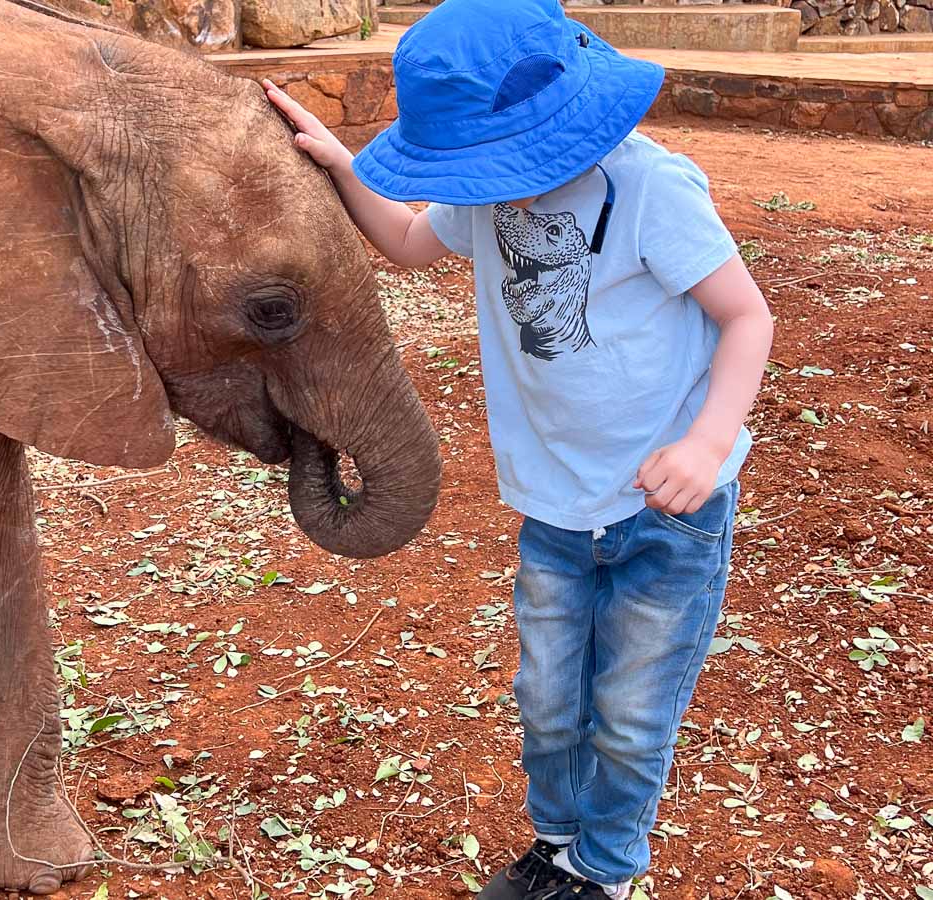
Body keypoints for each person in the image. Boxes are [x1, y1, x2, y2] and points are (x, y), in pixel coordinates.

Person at [264, 0, 774, 896]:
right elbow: (410, 241)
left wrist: (708, 440)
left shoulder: (653, 188)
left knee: (628, 711)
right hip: (553, 505)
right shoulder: (486, 191)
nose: (501, 178)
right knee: (547, 703)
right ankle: (559, 846)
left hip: (668, 513)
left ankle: (606, 869)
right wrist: (344, 167)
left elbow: (746, 318)